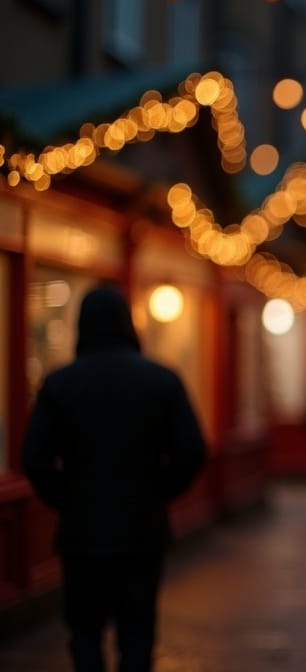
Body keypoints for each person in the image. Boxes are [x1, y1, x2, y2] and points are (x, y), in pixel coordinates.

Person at [21, 285, 206, 672]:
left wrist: (66, 498)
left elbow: (35, 458)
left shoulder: (60, 384)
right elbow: (191, 450)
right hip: (142, 531)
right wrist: (159, 491)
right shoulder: (161, 381)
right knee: (136, 634)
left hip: (82, 533)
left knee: (84, 632)